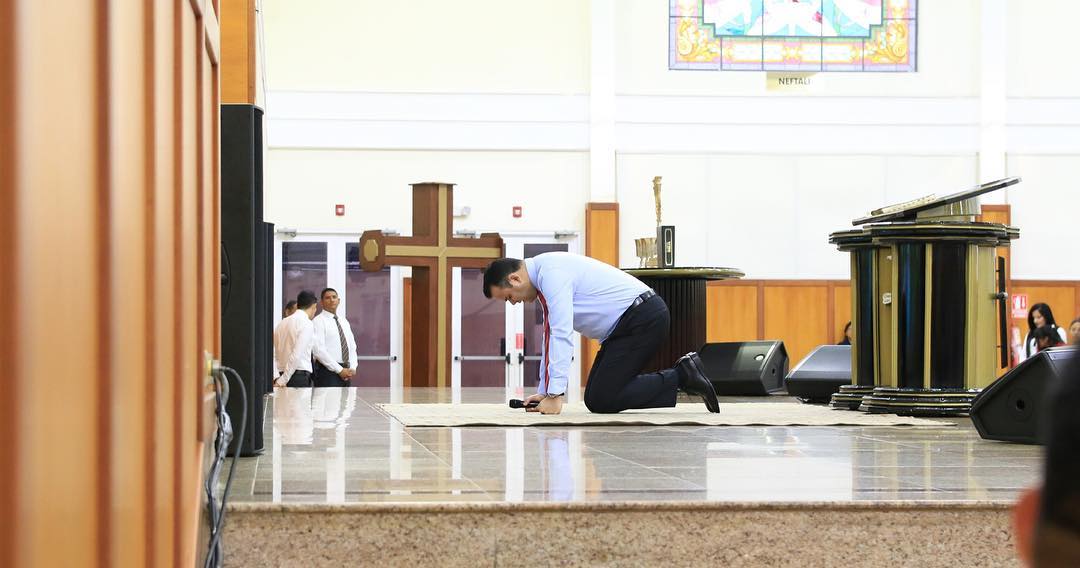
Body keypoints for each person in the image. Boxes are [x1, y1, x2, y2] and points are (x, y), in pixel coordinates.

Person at [482, 252, 719, 416]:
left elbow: (562, 334)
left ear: (515, 278)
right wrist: (545, 392)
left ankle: (682, 376)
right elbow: (550, 335)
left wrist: (555, 394)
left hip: (642, 318)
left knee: (603, 398)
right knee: (596, 398)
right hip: (624, 327)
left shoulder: (551, 273)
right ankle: (683, 375)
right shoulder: (544, 276)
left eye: (509, 297)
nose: (514, 303)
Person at [312, 288, 359, 388]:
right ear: (321, 302)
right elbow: (319, 351)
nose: (332, 300)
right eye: (327, 298)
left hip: (346, 371)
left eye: (334, 297)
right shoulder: (318, 321)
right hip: (327, 372)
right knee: (330, 399)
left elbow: (352, 346)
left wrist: (353, 367)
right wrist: (340, 370)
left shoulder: (344, 321)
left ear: (338, 301)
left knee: (345, 399)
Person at [274, 290, 318, 388]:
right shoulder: (307, 323)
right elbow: (297, 354)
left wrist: (278, 378)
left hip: (282, 375)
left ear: (298, 305)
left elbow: (275, 354)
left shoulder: (281, 324)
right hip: (297, 376)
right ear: (313, 306)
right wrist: (283, 379)